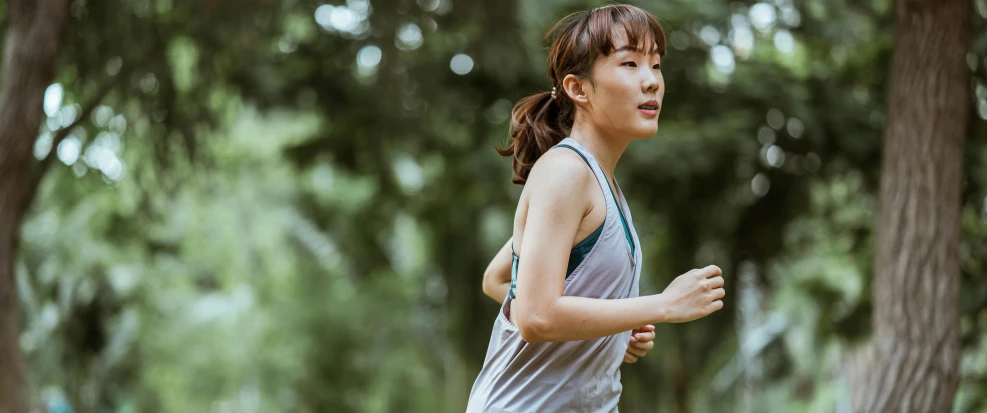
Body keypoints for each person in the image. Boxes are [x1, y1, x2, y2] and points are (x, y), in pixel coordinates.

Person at [466, 4, 726, 412]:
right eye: (629, 63)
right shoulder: (565, 172)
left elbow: (499, 278)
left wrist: (602, 332)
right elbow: (535, 315)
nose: (651, 82)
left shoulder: (599, 181)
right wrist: (666, 304)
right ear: (578, 88)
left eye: (655, 65)